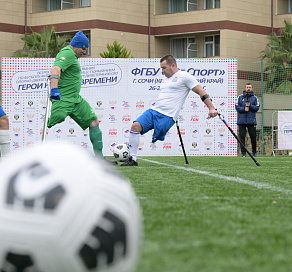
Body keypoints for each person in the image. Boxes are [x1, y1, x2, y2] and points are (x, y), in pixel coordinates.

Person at [121, 54, 218, 166]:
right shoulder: (165, 80)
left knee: (154, 134)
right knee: (135, 126)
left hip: (167, 116)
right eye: (161, 68)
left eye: (164, 68)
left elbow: (202, 92)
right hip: (154, 110)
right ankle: (133, 160)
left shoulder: (185, 76)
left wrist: (211, 108)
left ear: (173, 65)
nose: (162, 71)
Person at [47, 31, 117, 165]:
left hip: (76, 99)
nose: (84, 51)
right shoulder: (67, 53)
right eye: (83, 48)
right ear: (76, 46)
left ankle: (99, 160)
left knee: (94, 121)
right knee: (57, 118)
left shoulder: (74, 56)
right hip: (64, 98)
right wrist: (54, 90)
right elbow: (55, 69)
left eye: (86, 49)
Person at [235, 82, 260, 157]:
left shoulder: (255, 98)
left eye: (249, 87)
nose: (248, 88)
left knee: (253, 137)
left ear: (252, 89)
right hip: (241, 121)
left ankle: (254, 152)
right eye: (247, 87)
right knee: (242, 137)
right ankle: (243, 153)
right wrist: (244, 109)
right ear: (245, 88)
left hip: (251, 121)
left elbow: (257, 107)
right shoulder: (240, 97)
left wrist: (250, 106)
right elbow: (237, 107)